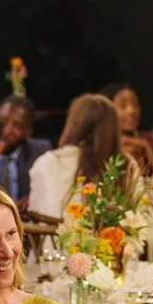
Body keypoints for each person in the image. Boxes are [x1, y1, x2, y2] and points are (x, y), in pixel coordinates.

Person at [27, 92, 122, 220]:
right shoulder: (124, 164)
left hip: (53, 238)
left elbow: (35, 213)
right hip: (113, 238)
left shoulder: (47, 161)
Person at [0, 94, 52, 206]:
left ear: (29, 131)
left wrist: (33, 199)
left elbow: (52, 192)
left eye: (18, 126)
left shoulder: (40, 152)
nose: (7, 131)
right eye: (3, 121)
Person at [100, 83, 153, 178]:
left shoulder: (149, 137)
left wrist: (145, 145)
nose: (131, 111)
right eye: (122, 106)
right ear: (107, 110)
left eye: (135, 104)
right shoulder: (101, 143)